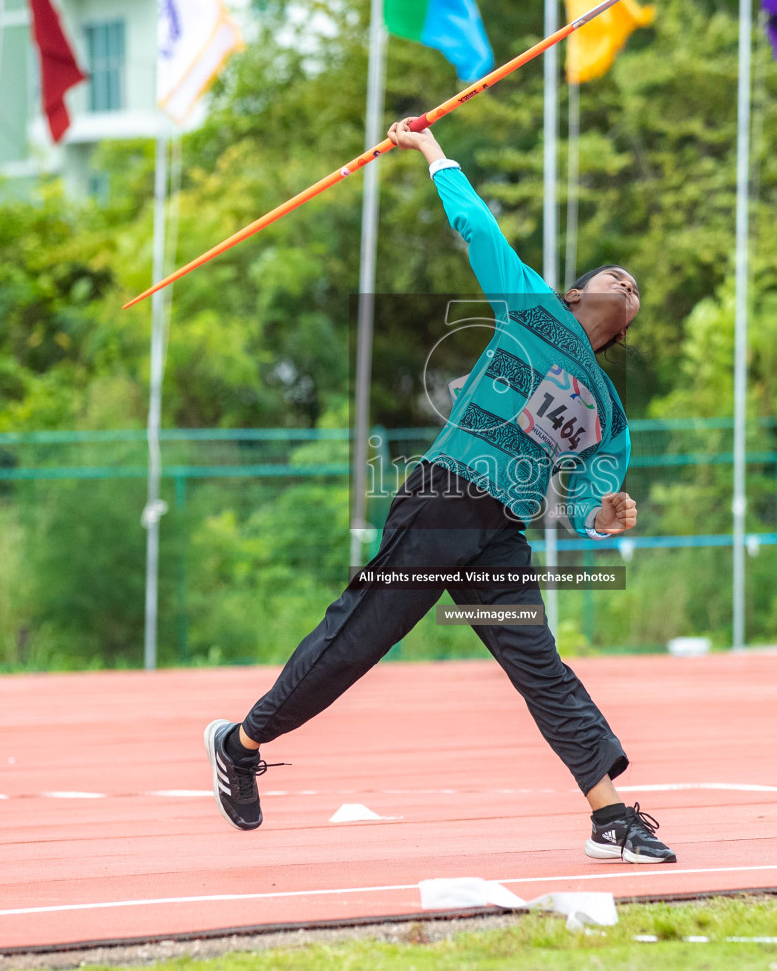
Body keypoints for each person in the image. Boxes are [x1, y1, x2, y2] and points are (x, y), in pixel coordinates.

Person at [204, 119, 675, 864]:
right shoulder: (533, 310)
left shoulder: (609, 414)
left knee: (539, 664)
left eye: (636, 288)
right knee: (360, 639)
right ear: (578, 294)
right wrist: (430, 151)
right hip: (442, 499)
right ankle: (241, 741)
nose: (628, 283)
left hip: (499, 535)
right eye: (615, 274)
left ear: (622, 331)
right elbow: (477, 227)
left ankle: (609, 818)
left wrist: (603, 516)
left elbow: (592, 493)